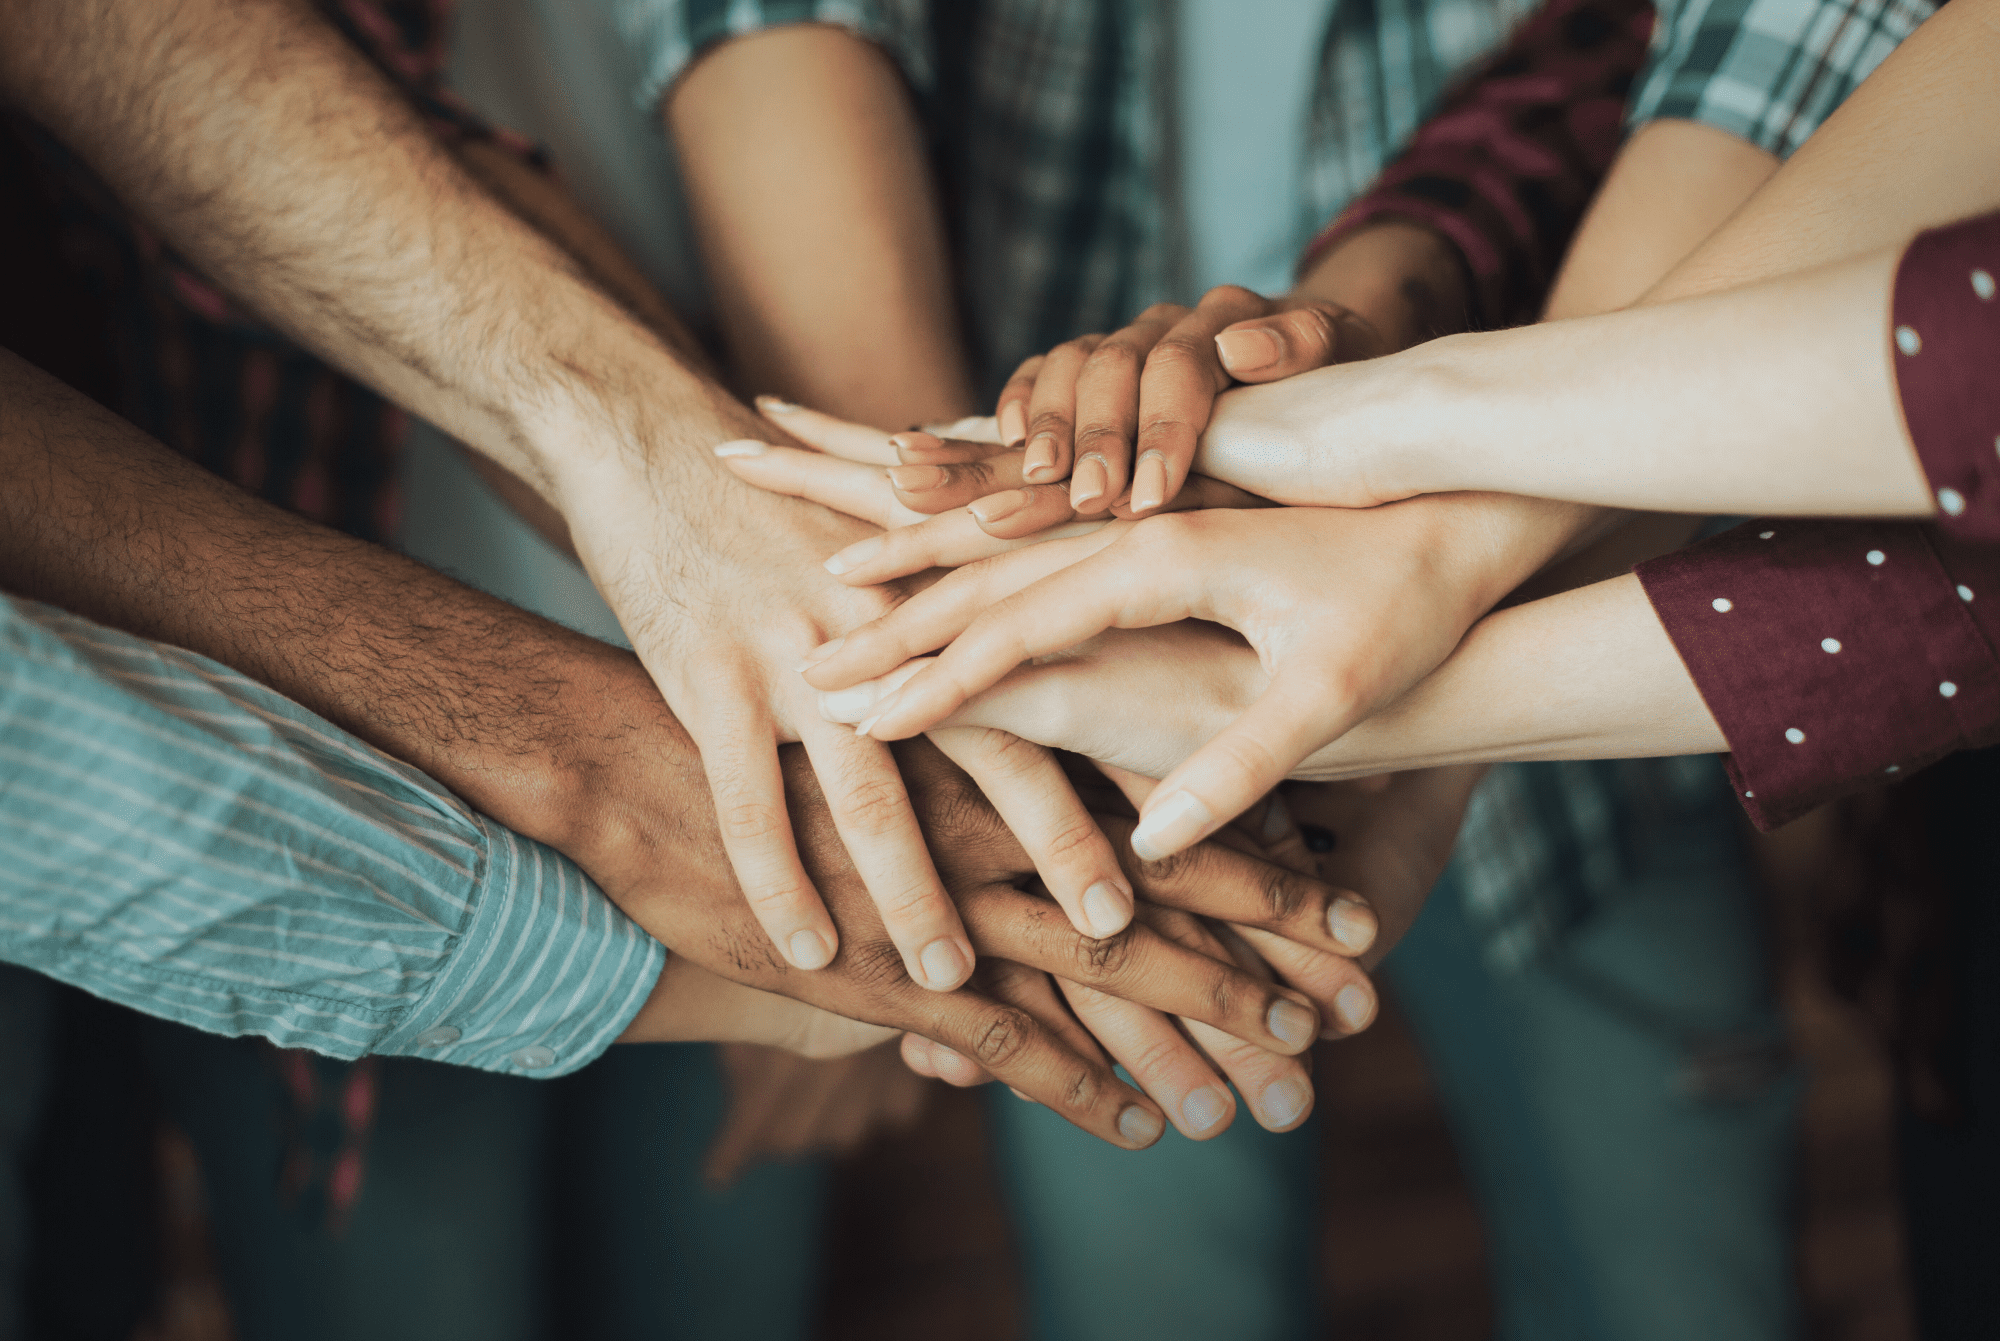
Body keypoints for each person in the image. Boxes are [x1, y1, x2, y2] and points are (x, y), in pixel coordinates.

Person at [472, 0, 1917, 1335]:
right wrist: (936, 664)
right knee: (1160, 1242)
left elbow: (1731, 61)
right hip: (1101, 656)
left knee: (1675, 1267)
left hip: (1554, 652)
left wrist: (1437, 523)